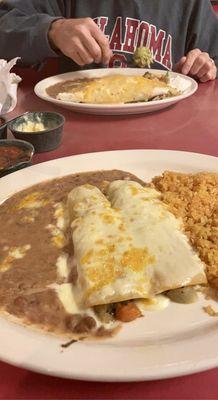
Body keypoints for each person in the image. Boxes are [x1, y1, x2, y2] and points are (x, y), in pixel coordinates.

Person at [0, 0, 217, 82]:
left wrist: (204, 66)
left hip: (166, 129)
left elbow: (213, 59)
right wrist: (53, 30)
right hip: (83, 128)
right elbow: (5, 28)